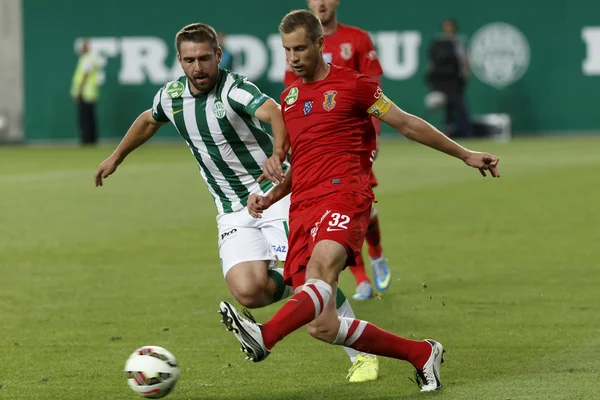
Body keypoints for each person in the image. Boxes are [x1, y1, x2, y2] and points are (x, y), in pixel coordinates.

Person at [218, 10, 500, 392]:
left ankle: (265, 337)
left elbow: (409, 123)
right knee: (322, 324)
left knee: (320, 271)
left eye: (300, 48)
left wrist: (465, 154)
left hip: (344, 194)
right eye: (287, 50)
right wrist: (269, 198)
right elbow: (300, 165)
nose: (293, 58)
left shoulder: (354, 86)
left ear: (320, 44)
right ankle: (421, 353)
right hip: (303, 207)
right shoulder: (290, 97)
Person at [93, 22, 377, 382]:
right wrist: (116, 157)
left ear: (218, 56)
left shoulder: (234, 90)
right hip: (231, 210)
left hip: (274, 195)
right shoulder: (172, 96)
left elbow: (274, 111)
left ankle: (361, 355)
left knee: (311, 275)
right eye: (189, 60)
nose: (198, 67)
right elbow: (150, 120)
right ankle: (308, 285)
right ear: (179, 61)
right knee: (249, 291)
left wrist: (278, 152)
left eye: (205, 58)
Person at [284, 0, 390, 301]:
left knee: (362, 207)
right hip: (320, 142)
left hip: (355, 138)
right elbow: (294, 101)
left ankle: (377, 255)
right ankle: (361, 279)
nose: (321, 2)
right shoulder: (298, 47)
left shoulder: (356, 38)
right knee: (336, 214)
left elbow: (373, 86)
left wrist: (377, 132)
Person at [425, 18, 471, 138]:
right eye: (446, 26)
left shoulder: (459, 42)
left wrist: (464, 77)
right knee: (444, 108)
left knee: (459, 108)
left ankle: (465, 133)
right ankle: (446, 133)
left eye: (450, 26)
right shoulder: (437, 42)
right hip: (440, 82)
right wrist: (431, 80)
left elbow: (464, 61)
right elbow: (431, 63)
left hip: (455, 82)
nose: (448, 29)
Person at [71, 39, 100, 145]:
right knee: (89, 117)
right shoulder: (88, 58)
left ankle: (87, 139)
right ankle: (91, 139)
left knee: (86, 118)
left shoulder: (87, 59)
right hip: (89, 93)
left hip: (86, 93)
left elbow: (85, 74)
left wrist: (80, 90)